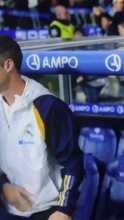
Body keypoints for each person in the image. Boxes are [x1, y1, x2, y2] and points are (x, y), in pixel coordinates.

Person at [0, 35, 85, 220]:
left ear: (8, 65)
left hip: (47, 211)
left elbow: (72, 162)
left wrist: (64, 209)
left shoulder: (48, 106)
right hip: (7, 210)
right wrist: (3, 186)